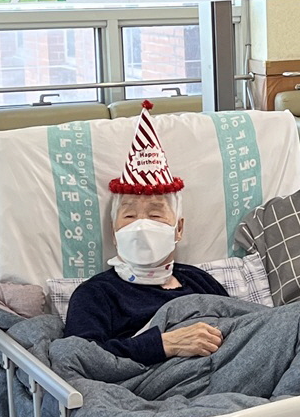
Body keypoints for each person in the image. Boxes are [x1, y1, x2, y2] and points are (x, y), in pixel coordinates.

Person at [63, 102, 229, 363]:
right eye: (129, 216)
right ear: (114, 232)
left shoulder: (201, 281)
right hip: (159, 379)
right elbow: (78, 358)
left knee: (299, 321)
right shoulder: (96, 294)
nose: (141, 225)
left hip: (227, 368)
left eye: (155, 215)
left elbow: (245, 329)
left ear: (178, 229)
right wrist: (164, 344)